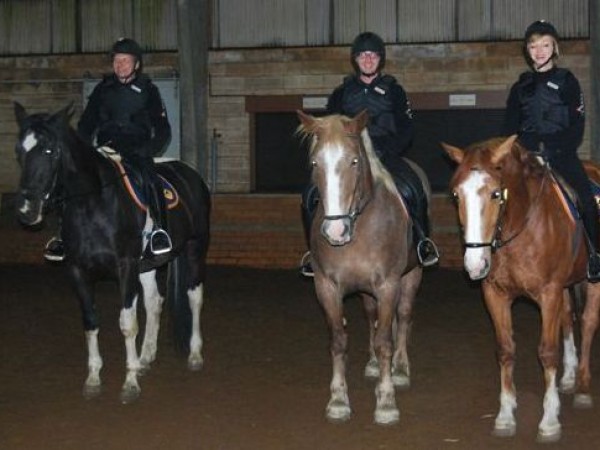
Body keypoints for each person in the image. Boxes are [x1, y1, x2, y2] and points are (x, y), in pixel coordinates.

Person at [299, 31, 440, 277]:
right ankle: (314, 252)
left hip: (387, 153)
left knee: (413, 187)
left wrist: (390, 149)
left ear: (380, 59)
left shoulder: (394, 90)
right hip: (350, 158)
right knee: (310, 194)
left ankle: (421, 243)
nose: (367, 60)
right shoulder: (341, 92)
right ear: (355, 60)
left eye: (372, 55)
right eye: (362, 55)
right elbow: (329, 128)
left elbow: (407, 128)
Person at [43, 37, 173, 261]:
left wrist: (149, 149)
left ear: (137, 64)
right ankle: (63, 235)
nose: (120, 65)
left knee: (150, 178)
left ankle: (159, 232)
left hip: (136, 149)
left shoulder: (148, 90)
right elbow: (87, 124)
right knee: (71, 179)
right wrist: (81, 150)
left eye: (125, 60)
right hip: (105, 148)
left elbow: (163, 130)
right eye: (116, 61)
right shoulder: (103, 89)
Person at [503, 20, 600, 281]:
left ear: (554, 48)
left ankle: (594, 256)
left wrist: (555, 149)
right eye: (533, 46)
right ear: (528, 50)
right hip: (527, 158)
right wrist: (521, 151)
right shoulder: (520, 86)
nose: (539, 51)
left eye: (545, 45)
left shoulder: (567, 81)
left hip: (562, 155)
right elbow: (509, 128)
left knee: (586, 199)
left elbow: (577, 126)